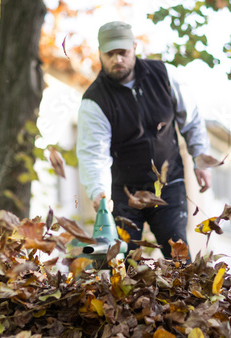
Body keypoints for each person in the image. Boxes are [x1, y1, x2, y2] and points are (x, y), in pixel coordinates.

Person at [76, 21, 211, 260]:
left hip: (169, 186)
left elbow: (191, 120)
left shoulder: (164, 75)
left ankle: (189, 297)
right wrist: (98, 191)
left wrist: (200, 158)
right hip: (124, 195)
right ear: (100, 53)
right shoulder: (94, 101)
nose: (117, 59)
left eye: (123, 53)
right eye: (110, 54)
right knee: (120, 261)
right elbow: (93, 154)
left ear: (135, 47)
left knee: (178, 253)